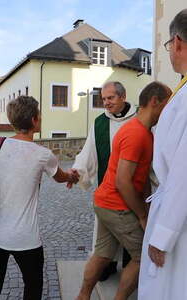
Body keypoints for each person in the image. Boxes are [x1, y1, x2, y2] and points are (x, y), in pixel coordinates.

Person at [0, 96, 79, 300]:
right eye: (39, 115)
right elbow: (60, 178)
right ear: (34, 120)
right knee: (33, 287)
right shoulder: (43, 154)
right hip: (26, 238)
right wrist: (72, 177)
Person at [76, 82, 172, 300]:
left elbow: (143, 175)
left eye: (111, 98)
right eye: (167, 105)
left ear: (123, 97)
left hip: (105, 202)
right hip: (116, 205)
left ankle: (82, 296)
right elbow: (123, 181)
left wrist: (148, 207)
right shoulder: (136, 133)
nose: (169, 110)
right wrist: (142, 215)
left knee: (102, 254)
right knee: (143, 256)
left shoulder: (140, 129)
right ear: (154, 102)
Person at [138, 9, 187, 300]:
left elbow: (184, 171)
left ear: (177, 43)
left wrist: (163, 234)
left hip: (178, 219)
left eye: (168, 46)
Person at [73, 81, 137, 280]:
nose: (106, 103)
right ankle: (107, 264)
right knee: (105, 230)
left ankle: (130, 264)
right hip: (108, 190)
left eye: (111, 98)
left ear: (123, 96)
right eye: (103, 99)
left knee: (132, 229)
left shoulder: (139, 118)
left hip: (133, 188)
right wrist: (77, 171)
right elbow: (88, 151)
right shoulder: (100, 122)